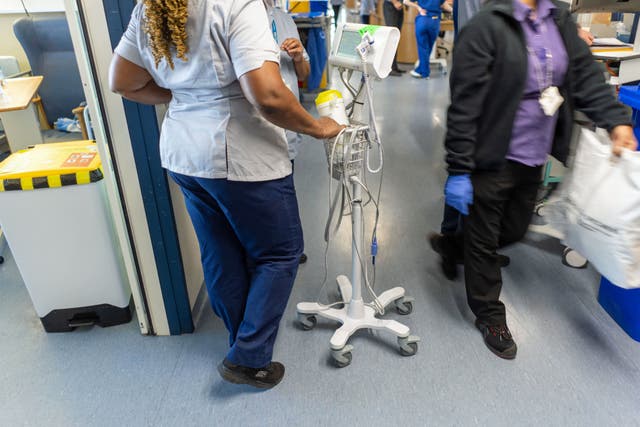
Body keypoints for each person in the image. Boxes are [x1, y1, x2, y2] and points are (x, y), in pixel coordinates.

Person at [109, 0, 343, 389]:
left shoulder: (149, 8)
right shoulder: (238, 4)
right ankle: (249, 359)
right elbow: (267, 95)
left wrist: (185, 96)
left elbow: (123, 81)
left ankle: (240, 338)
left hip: (184, 152)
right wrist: (318, 128)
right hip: (239, 155)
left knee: (219, 250)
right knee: (279, 253)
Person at [440, 0, 637, 360]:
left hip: (534, 153)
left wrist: (616, 120)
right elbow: (464, 106)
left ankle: (454, 246)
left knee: (515, 230)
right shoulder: (487, 25)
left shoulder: (559, 18)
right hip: (491, 154)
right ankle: (489, 314)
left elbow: (584, 74)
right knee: (485, 244)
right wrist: (459, 168)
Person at [264, 0, 312, 264]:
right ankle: (280, 250)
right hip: (258, 125)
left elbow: (304, 72)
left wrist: (297, 56)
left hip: (287, 122)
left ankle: (291, 247)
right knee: (267, 193)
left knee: (286, 186)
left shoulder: (284, 19)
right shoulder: (238, 16)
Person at [404, 0, 452, 78]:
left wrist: (418, 7)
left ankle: (424, 73)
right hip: (434, 21)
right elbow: (444, 5)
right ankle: (420, 70)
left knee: (423, 48)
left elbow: (405, 1)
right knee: (428, 48)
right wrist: (454, 11)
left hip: (423, 19)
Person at [383, 0, 406, 75]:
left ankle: (394, 67)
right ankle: (390, 68)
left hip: (399, 7)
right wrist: (395, 2)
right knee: (392, 37)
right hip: (390, 6)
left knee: (396, 37)